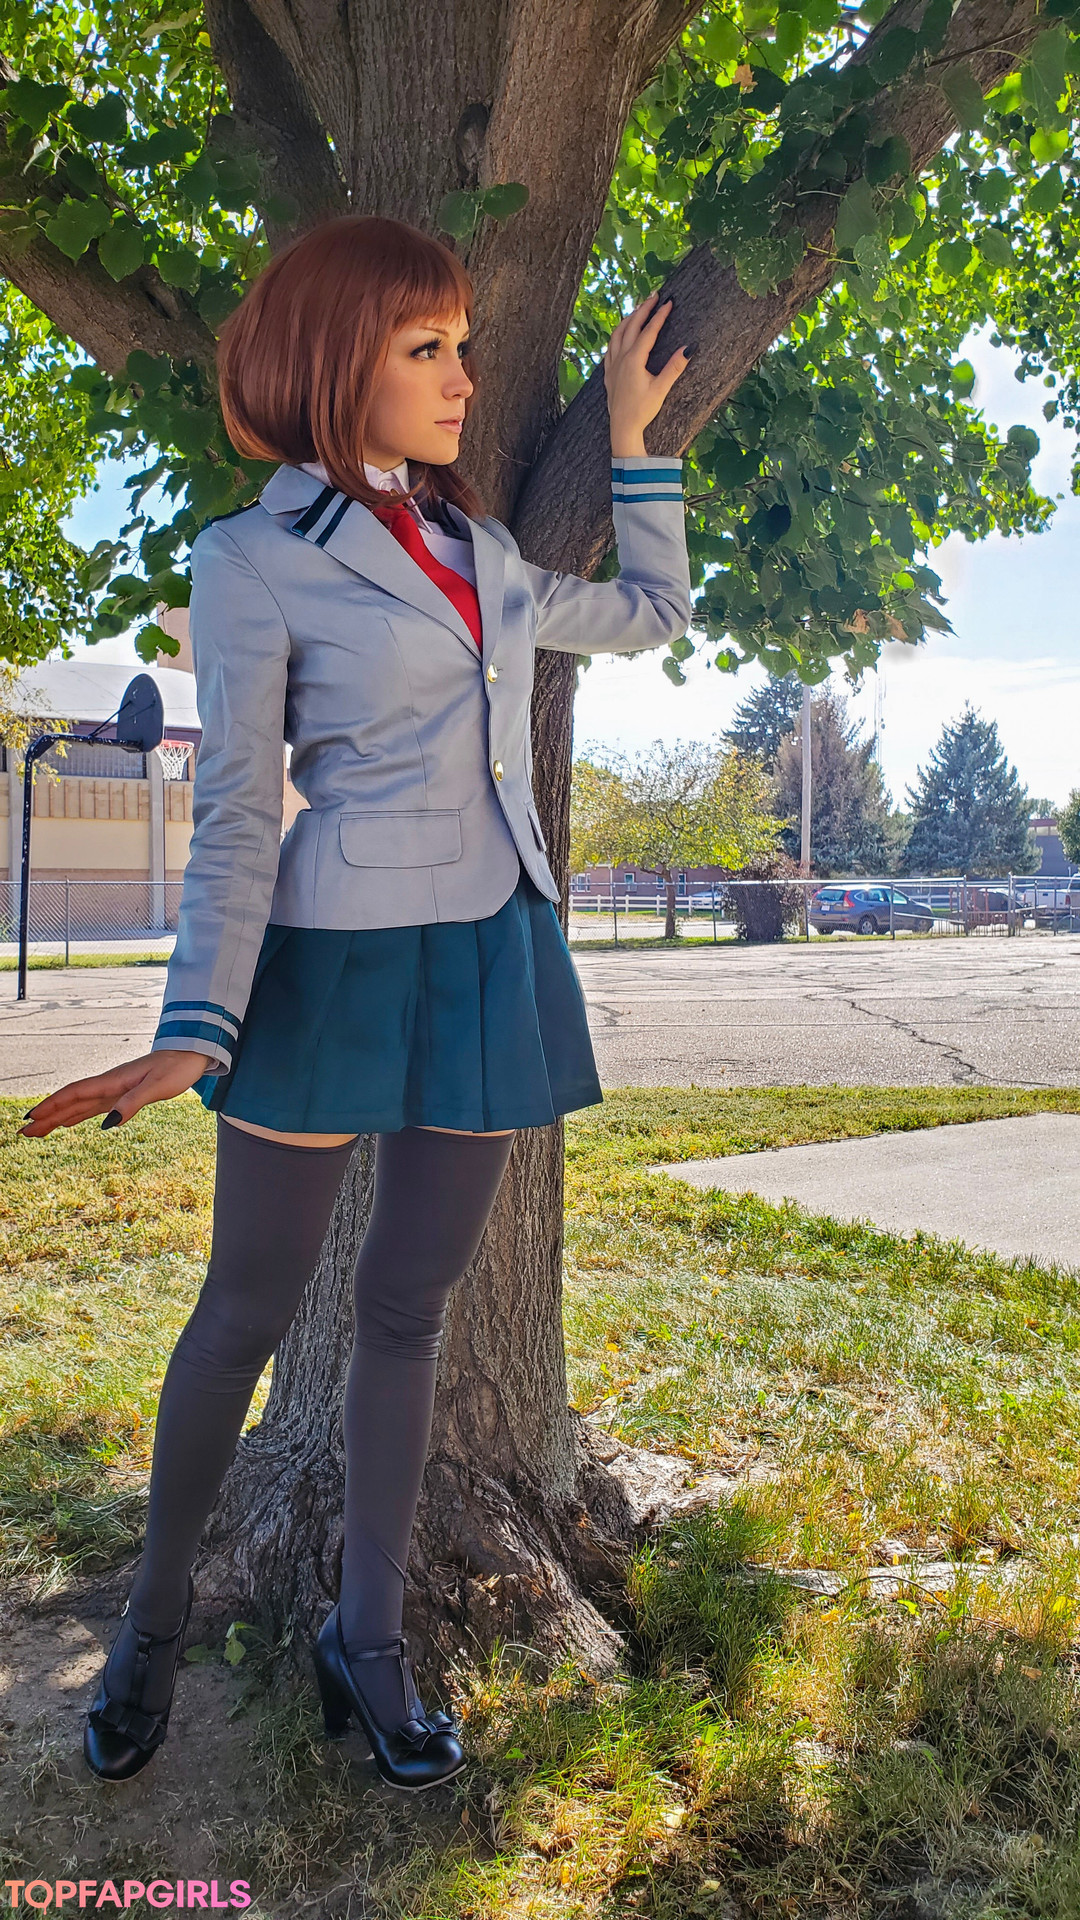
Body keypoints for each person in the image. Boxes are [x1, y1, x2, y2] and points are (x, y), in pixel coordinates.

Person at [20, 214, 693, 1792]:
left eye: (462, 346)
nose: (464, 379)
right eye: (426, 349)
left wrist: (632, 441)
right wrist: (195, 1025)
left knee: (408, 1313)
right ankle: (150, 1629)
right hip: (329, 962)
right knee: (244, 1312)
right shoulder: (249, 560)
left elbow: (655, 618)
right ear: (338, 366)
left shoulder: (485, 555)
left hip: (490, 951)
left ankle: (369, 1640)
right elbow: (238, 809)